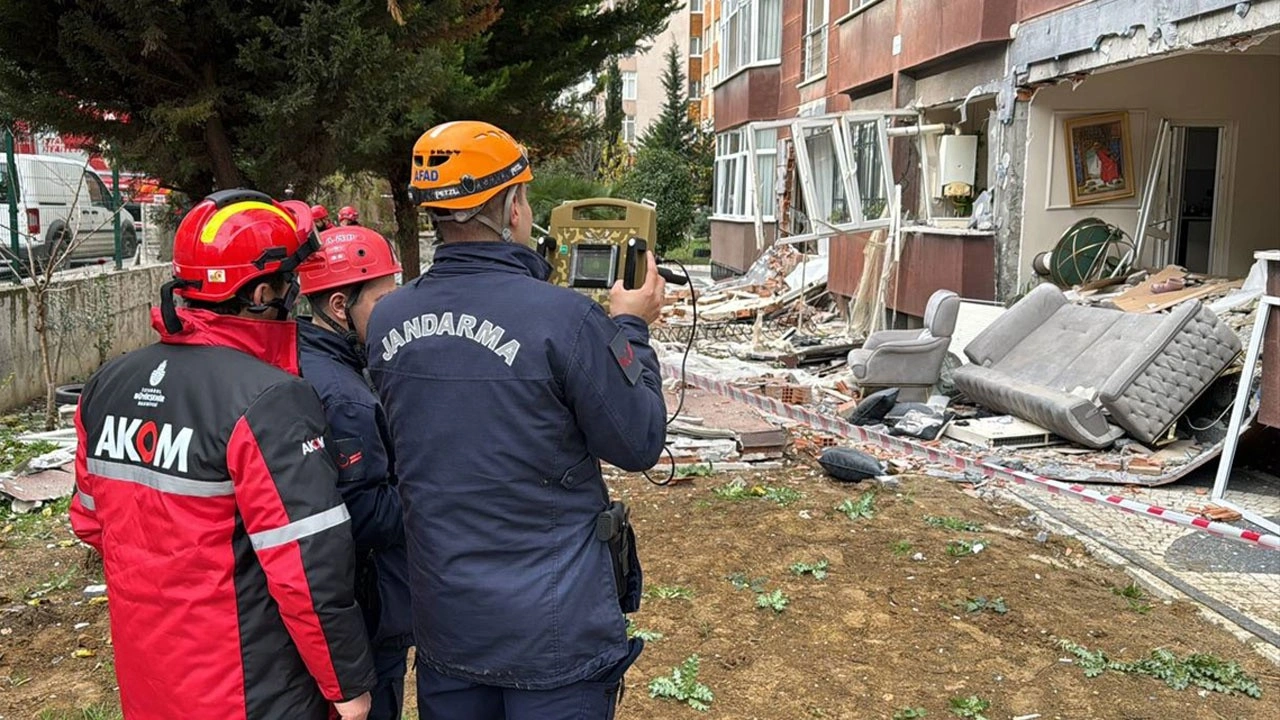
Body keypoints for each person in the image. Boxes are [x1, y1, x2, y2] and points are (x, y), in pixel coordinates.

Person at [367, 120, 667, 720]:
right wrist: (631, 326)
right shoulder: (564, 321)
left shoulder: (386, 321)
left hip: (448, 628)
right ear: (509, 207)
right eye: (524, 195)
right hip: (554, 639)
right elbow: (639, 440)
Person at [69, 189, 375, 720]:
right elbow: (307, 568)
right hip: (251, 685)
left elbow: (90, 522)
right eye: (289, 288)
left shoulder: (107, 384)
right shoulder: (271, 400)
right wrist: (348, 686)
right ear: (261, 293)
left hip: (152, 676)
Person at [298, 225, 411, 720]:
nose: (396, 311)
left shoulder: (301, 357)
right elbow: (364, 514)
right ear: (340, 306)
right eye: (385, 299)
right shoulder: (344, 397)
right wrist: (432, 481)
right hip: (366, 613)